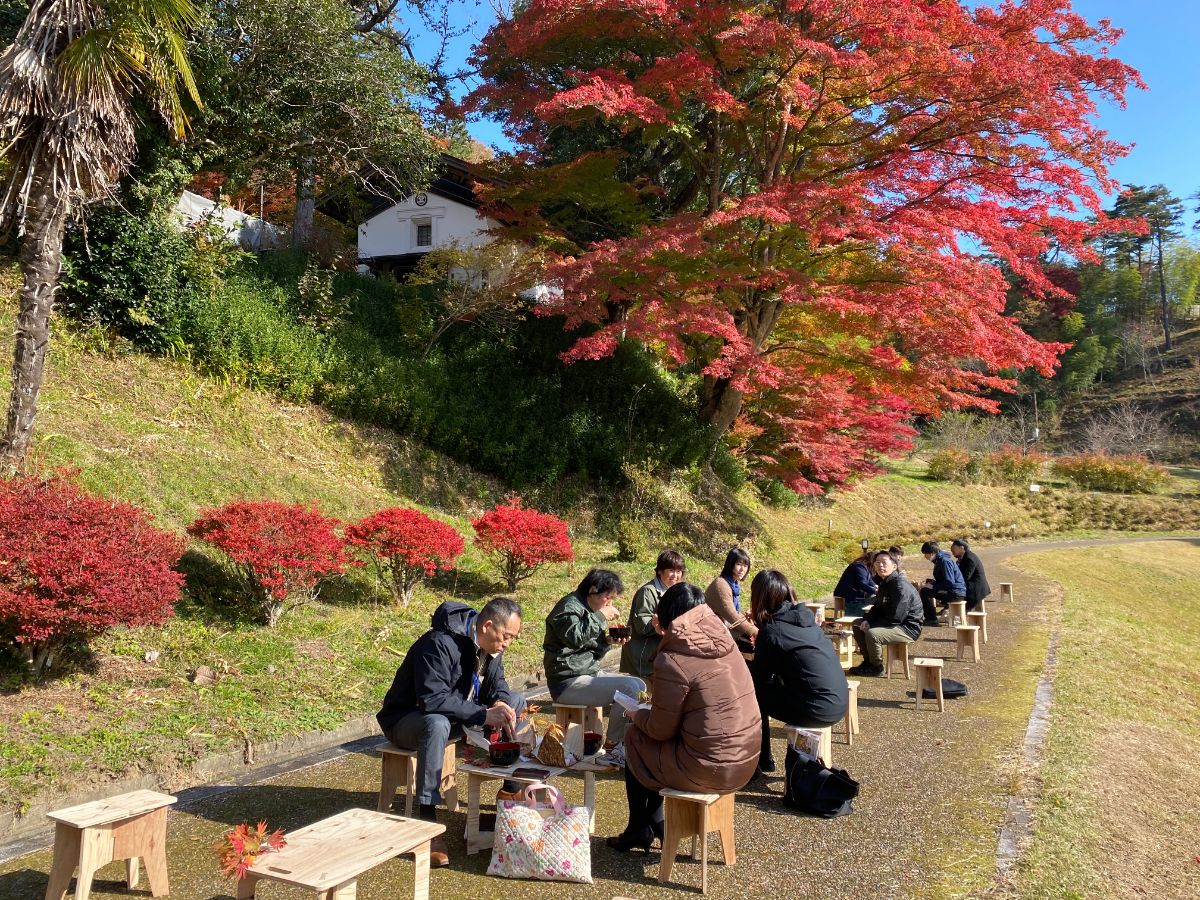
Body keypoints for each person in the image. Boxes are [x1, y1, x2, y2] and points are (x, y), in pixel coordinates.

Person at [608, 582, 761, 852]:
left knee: (635, 736)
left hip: (707, 768)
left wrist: (636, 714)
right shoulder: (724, 640)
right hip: (745, 762)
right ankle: (652, 824)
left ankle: (642, 827)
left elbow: (659, 729)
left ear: (666, 615)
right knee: (653, 741)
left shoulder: (673, 657)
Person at [377, 597, 524, 867]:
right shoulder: (438, 643)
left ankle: (510, 791)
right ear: (487, 626)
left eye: (512, 638)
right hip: (407, 719)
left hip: (455, 714)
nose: (507, 644)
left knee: (515, 701)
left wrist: (500, 701)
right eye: (506, 636)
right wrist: (483, 714)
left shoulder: (491, 647)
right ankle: (428, 824)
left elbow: (498, 684)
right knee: (437, 724)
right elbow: (432, 700)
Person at [749, 570, 848, 774]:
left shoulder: (772, 631)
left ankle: (760, 760)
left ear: (758, 597)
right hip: (838, 701)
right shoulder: (806, 619)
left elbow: (759, 679)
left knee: (753, 694)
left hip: (816, 708)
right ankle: (763, 760)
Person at [544, 569, 645, 766]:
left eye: (613, 599)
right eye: (608, 597)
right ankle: (613, 748)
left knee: (639, 685)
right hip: (566, 681)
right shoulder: (568, 608)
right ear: (592, 589)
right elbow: (574, 639)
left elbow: (591, 652)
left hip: (588, 672)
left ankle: (624, 744)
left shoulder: (590, 610)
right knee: (629, 688)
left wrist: (608, 641)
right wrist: (600, 616)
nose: (610, 603)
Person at [849, 551, 923, 677]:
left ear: (894, 566)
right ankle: (868, 662)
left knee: (873, 634)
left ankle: (876, 667)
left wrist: (872, 625)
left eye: (884, 562)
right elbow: (877, 607)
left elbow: (896, 617)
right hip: (892, 622)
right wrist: (867, 620)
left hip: (906, 627)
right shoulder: (884, 583)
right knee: (857, 624)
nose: (880, 565)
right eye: (877, 562)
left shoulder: (900, 586)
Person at [620, 549, 686, 689]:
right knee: (643, 696)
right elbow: (642, 626)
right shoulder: (647, 592)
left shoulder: (676, 591)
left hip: (662, 654)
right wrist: (664, 623)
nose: (675, 575)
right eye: (671, 570)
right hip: (644, 656)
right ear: (660, 571)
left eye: (679, 571)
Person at [704, 547, 756, 648]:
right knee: (751, 642)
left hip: (723, 623)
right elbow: (733, 617)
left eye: (745, 566)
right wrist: (758, 633)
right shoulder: (721, 585)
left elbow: (735, 613)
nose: (742, 569)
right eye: (739, 564)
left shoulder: (733, 583)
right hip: (711, 629)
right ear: (730, 564)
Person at [918, 540, 966, 626]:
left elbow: (949, 582)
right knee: (926, 588)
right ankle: (931, 617)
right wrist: (931, 582)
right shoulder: (940, 560)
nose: (925, 556)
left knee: (925, 592)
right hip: (954, 591)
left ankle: (931, 619)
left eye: (925, 554)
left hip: (956, 593)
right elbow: (944, 579)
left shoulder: (944, 561)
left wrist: (933, 586)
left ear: (932, 553)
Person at [833, 551, 877, 617]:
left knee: (874, 599)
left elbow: (870, 581)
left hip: (854, 594)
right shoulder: (859, 566)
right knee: (874, 599)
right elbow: (862, 584)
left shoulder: (864, 567)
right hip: (850, 595)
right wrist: (875, 591)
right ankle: (862, 618)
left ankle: (869, 616)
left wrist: (877, 587)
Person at [951, 539, 991, 611]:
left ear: (961, 548)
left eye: (954, 549)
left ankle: (955, 613)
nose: (952, 552)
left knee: (955, 596)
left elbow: (965, 577)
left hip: (975, 590)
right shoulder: (964, 557)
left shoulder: (969, 559)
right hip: (971, 587)